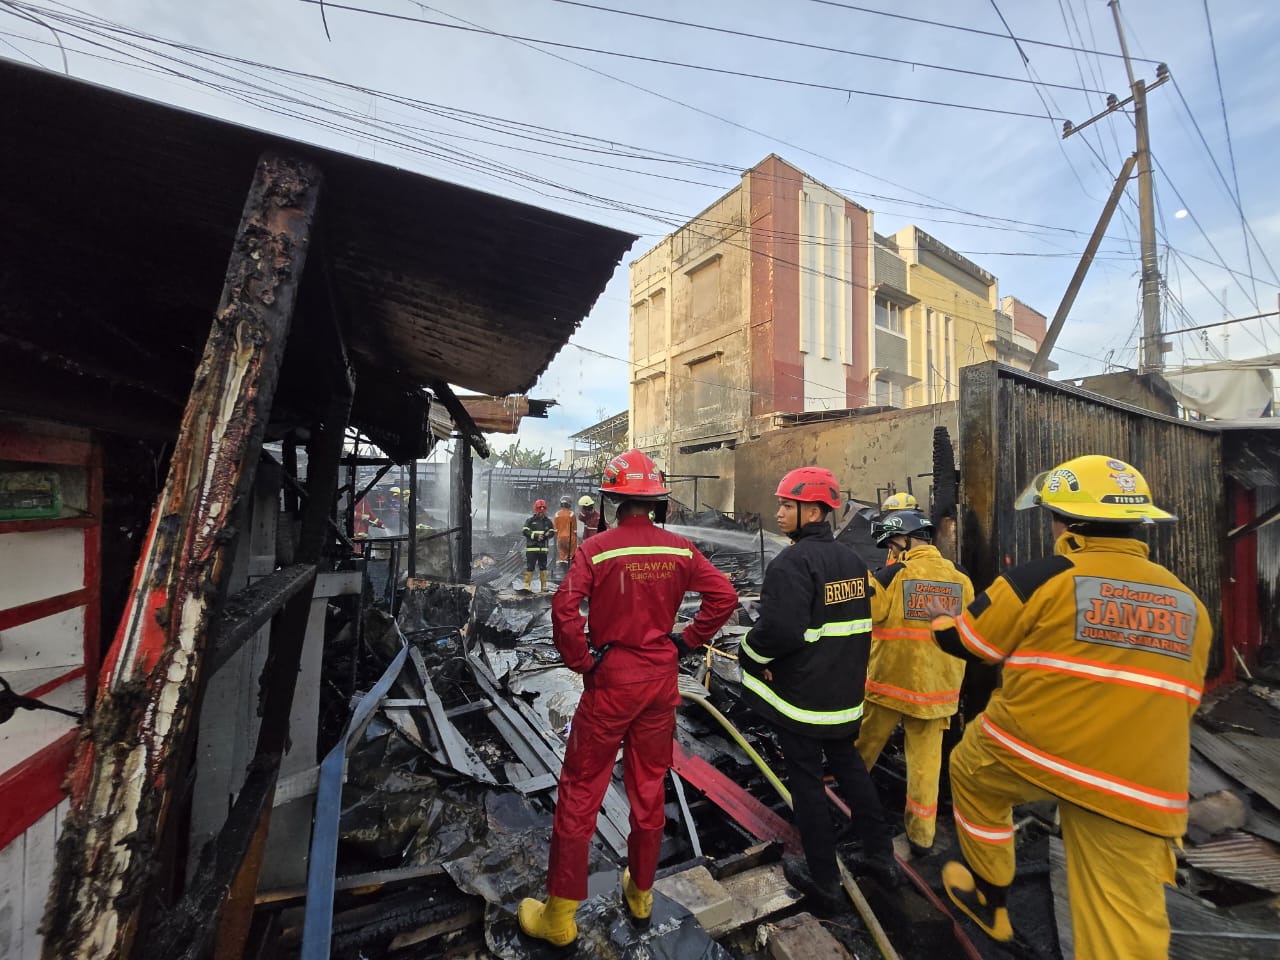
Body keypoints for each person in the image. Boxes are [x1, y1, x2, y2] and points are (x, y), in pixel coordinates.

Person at [926, 455, 1211, 957]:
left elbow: (970, 644)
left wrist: (940, 621)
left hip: (1032, 751)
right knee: (1124, 927)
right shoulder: (1189, 603)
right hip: (1138, 783)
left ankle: (990, 896)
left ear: (1064, 521)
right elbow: (1182, 694)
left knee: (968, 769)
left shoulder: (1042, 578)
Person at [517, 450, 738, 947]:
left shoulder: (597, 549)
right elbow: (724, 597)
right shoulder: (680, 550)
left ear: (612, 501)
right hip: (659, 682)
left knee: (581, 790)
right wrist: (686, 641)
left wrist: (581, 660)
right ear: (658, 502)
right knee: (649, 787)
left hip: (611, 683)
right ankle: (640, 892)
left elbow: (564, 607)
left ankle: (559, 916)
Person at [739, 466, 896, 914]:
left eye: (786, 505)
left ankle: (825, 880)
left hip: (804, 703)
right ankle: (881, 857)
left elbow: (780, 633)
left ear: (812, 511)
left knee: (806, 784)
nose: (778, 512)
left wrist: (749, 654)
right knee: (852, 770)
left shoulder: (792, 563)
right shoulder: (851, 561)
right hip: (844, 698)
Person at [855, 509, 972, 859]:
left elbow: (866, 614)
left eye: (892, 544)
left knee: (861, 750)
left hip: (890, 685)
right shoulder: (961, 578)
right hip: (939, 691)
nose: (891, 551)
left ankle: (845, 806)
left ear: (904, 539)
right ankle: (922, 836)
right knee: (925, 765)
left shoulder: (893, 575)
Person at [521, 499, 555, 593]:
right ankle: (527, 585)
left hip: (543, 549)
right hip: (532, 548)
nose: (541, 513)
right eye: (539, 511)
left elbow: (552, 532)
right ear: (536, 510)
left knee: (543, 567)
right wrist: (535, 536)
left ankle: (544, 586)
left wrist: (548, 534)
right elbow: (525, 531)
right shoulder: (530, 521)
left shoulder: (548, 521)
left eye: (542, 511)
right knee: (530, 567)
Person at [552, 495, 578, 572]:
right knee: (571, 555)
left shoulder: (557, 515)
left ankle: (564, 570)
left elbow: (555, 530)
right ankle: (571, 570)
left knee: (563, 556)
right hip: (571, 538)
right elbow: (575, 530)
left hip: (560, 538)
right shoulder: (572, 514)